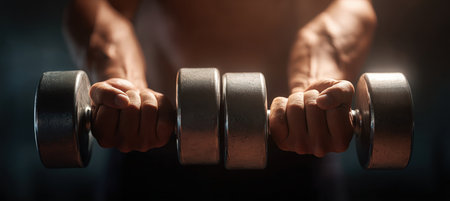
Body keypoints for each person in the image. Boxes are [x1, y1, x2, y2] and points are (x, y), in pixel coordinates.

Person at [64, 0, 376, 200]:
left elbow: (349, 6)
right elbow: (97, 6)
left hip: (296, 146)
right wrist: (125, 85)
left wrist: (315, 88)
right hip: (149, 142)